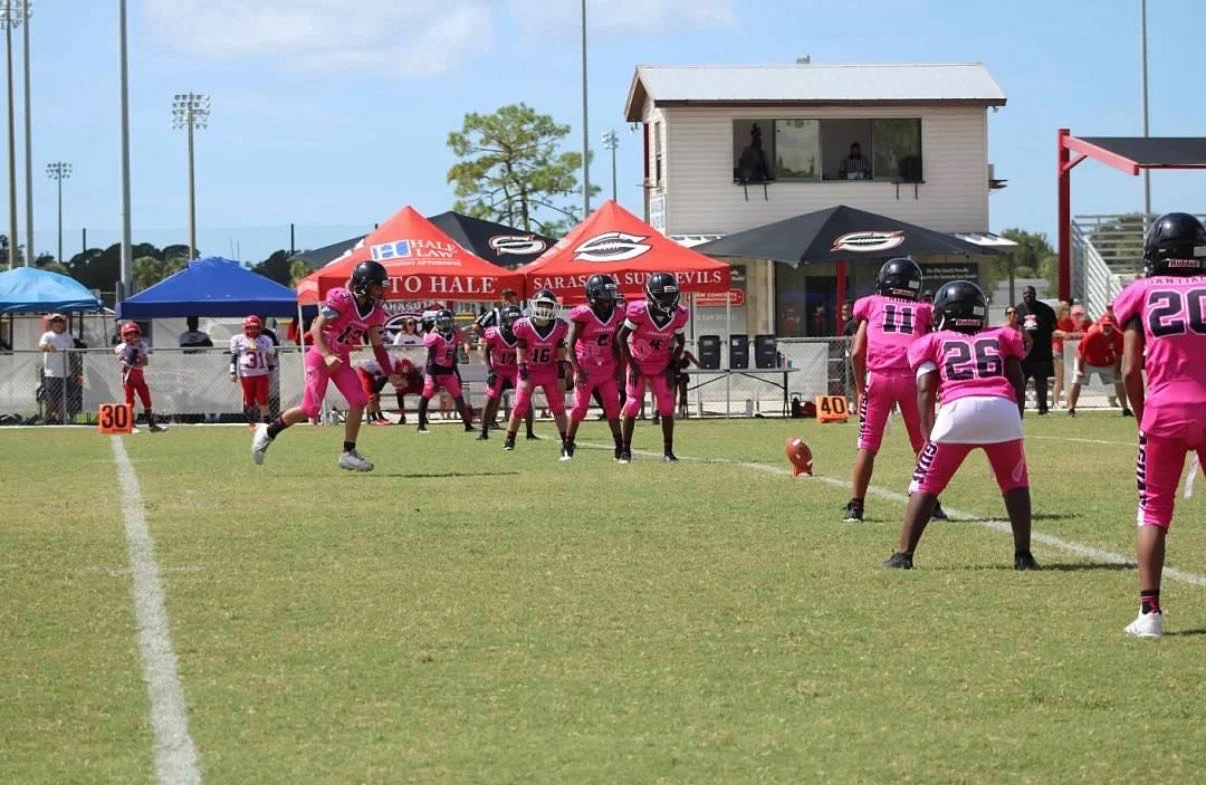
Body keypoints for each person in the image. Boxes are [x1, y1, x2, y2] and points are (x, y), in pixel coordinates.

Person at [884, 280, 1037, 570]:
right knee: (1015, 484)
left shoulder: (932, 341)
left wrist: (928, 434)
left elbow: (926, 389)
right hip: (1002, 409)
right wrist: (1014, 419)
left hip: (957, 411)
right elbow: (1017, 378)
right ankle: (1023, 555)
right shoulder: (1001, 336)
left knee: (925, 484)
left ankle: (903, 555)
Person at [1112, 212, 1206, 638]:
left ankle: (1150, 614)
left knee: (1153, 511)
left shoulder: (1141, 292)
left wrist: (1140, 412)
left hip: (1164, 412)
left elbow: (1131, 368)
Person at [252, 260, 400, 471]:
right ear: (363, 284)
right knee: (310, 409)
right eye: (376, 286)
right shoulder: (343, 299)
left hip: (340, 359)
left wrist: (390, 373)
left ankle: (348, 453)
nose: (380, 291)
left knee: (359, 399)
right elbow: (317, 328)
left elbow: (378, 347)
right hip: (321, 356)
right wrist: (327, 354)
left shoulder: (375, 312)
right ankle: (268, 432)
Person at [843, 258, 945, 523]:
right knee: (922, 443)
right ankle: (931, 505)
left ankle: (856, 506)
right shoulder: (923, 310)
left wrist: (860, 387)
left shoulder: (871, 304)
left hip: (878, 378)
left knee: (867, 445)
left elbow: (856, 352)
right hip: (912, 380)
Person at [616, 273, 688, 464]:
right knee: (631, 405)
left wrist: (672, 364)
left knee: (666, 407)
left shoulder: (678, 314)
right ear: (652, 295)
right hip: (638, 364)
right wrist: (632, 365)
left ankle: (668, 451)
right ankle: (625, 451)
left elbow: (681, 342)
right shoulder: (639, 311)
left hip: (661, 365)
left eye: (671, 296)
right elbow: (621, 337)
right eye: (664, 296)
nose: (669, 300)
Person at [565, 274, 624, 460]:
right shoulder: (584, 314)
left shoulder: (617, 313)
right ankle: (568, 445)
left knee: (613, 408)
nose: (608, 299)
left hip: (607, 367)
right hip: (586, 367)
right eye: (604, 294)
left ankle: (620, 447)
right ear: (593, 295)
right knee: (579, 409)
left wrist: (620, 368)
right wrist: (578, 370)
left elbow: (616, 343)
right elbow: (570, 345)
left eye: (610, 293)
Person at [504, 289, 569, 454]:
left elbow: (561, 354)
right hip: (530, 369)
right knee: (519, 405)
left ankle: (566, 440)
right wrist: (524, 375)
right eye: (541, 304)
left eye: (548, 305)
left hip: (549, 371)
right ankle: (510, 439)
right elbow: (520, 352)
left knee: (558, 407)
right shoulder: (523, 325)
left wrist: (561, 376)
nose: (545, 308)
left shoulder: (559, 326)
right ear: (534, 305)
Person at [478, 305, 535, 441]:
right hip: (499, 370)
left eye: (518, 319)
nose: (516, 323)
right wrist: (490, 370)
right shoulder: (494, 334)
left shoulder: (524, 334)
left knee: (525, 397)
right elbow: (486, 351)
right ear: (504, 321)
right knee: (491, 397)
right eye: (513, 320)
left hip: (516, 370)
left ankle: (530, 431)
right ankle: (484, 432)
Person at [416, 309, 474, 434]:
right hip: (433, 371)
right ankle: (420, 425)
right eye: (443, 322)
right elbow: (431, 357)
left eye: (448, 322)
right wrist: (434, 376)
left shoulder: (454, 336)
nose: (446, 325)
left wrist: (457, 374)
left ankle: (468, 425)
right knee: (426, 396)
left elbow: (453, 357)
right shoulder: (435, 336)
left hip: (448, 373)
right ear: (437, 323)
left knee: (458, 397)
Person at [1067, 314, 1130, 417]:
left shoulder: (1118, 336)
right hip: (1087, 361)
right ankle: (1071, 409)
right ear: (1100, 325)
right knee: (1077, 381)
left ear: (1113, 325)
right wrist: (1080, 369)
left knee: (1119, 381)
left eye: (1109, 325)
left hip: (1107, 362)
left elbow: (1118, 355)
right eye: (1104, 325)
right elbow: (1081, 353)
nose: (1107, 327)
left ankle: (1125, 409)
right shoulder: (1092, 334)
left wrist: (1118, 370)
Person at [1014, 285, 1057, 414]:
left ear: (1035, 294)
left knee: (1042, 381)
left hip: (1042, 353)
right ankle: (1018, 409)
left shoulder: (1046, 310)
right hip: (1023, 354)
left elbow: (1053, 327)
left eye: (1030, 293)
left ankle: (1043, 408)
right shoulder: (1017, 310)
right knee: (1021, 382)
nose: (1028, 295)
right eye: (1026, 293)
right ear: (1022, 295)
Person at [116, 322, 165, 432]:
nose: (132, 337)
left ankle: (152, 425)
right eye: (128, 334)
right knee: (130, 400)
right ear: (124, 335)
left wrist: (135, 362)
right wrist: (135, 350)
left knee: (146, 399)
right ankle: (131, 425)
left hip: (139, 376)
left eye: (134, 334)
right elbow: (128, 362)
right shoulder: (122, 347)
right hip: (128, 377)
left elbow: (145, 362)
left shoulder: (143, 345)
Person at [229, 315, 277, 427]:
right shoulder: (238, 339)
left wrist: (270, 370)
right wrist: (232, 371)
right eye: (250, 327)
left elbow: (270, 356)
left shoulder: (266, 339)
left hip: (261, 374)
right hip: (246, 374)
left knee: (263, 401)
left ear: (259, 327)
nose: (252, 330)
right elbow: (234, 356)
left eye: (255, 327)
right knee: (249, 401)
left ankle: (266, 425)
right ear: (245, 328)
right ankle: (251, 424)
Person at [38, 313, 77, 424]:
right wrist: (48, 347)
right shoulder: (47, 335)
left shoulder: (68, 336)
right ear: (51, 323)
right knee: (50, 397)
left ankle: (61, 418)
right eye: (55, 321)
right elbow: (41, 346)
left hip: (66, 372)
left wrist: (75, 370)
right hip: (51, 373)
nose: (58, 323)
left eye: (60, 321)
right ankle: (49, 417)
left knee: (63, 397)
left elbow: (73, 353)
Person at [358, 354, 417, 424]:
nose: (401, 375)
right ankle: (374, 419)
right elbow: (394, 382)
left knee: (376, 395)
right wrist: (403, 383)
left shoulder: (397, 363)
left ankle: (380, 417)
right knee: (370, 396)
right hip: (364, 372)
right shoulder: (391, 366)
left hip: (373, 373)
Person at [1051, 302, 1077, 408]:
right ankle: (1056, 402)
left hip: (1069, 351)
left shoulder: (1070, 321)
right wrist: (1062, 333)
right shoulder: (1055, 321)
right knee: (1059, 379)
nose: (1068, 310)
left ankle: (1069, 401)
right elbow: (1053, 331)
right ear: (1060, 310)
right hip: (1058, 351)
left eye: (1068, 308)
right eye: (1065, 309)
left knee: (1069, 378)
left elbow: (1075, 331)